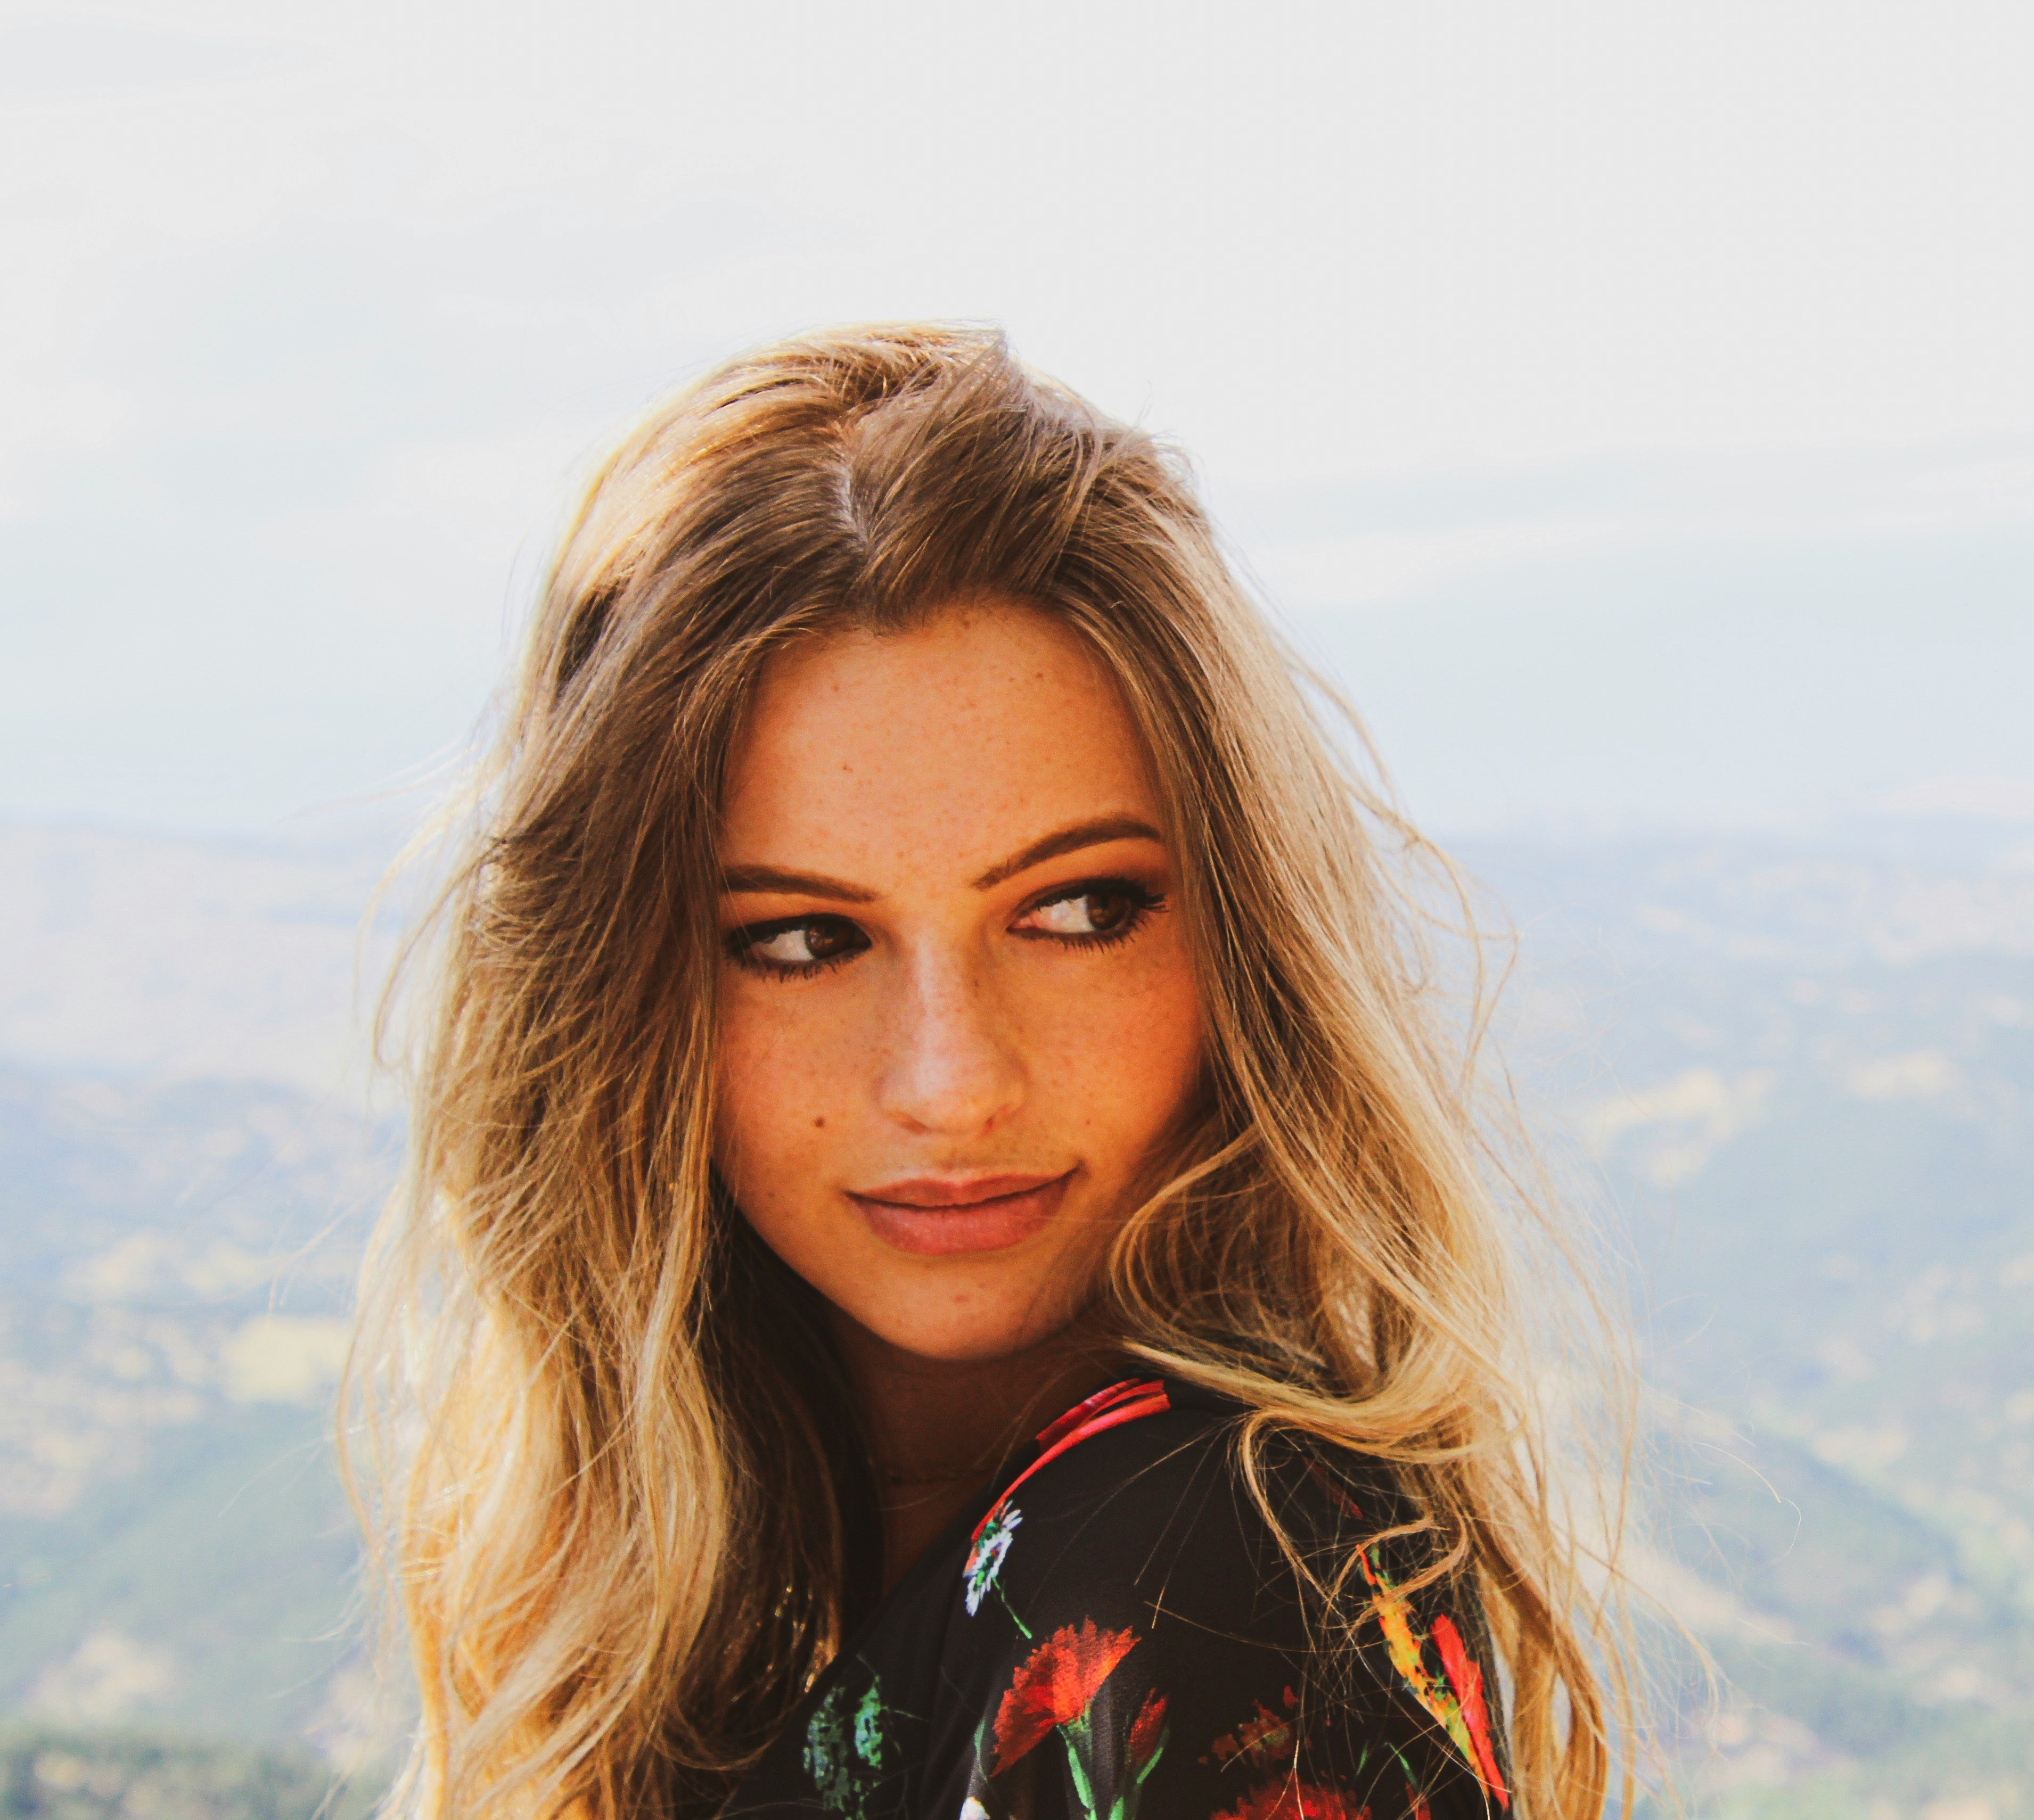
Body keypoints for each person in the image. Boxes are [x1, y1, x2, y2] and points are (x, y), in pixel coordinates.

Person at [350, 325, 1634, 1820]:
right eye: (802, 938)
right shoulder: (836, 1567)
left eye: (1077, 909)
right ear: (625, 1005)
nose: (950, 1081)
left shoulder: (1190, 1589)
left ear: (1243, 946)